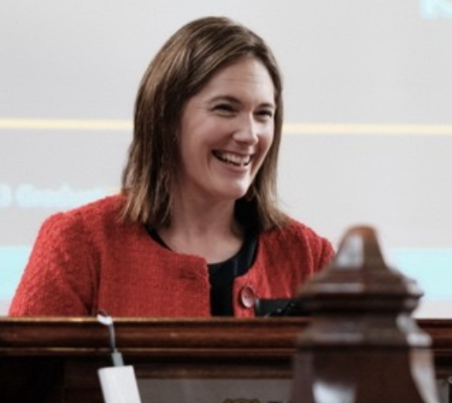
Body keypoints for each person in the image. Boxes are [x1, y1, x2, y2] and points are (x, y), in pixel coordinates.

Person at [9, 16, 334, 318]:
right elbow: (24, 363)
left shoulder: (310, 257)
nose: (250, 134)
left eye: (263, 114)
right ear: (167, 118)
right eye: (225, 108)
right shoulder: (79, 244)